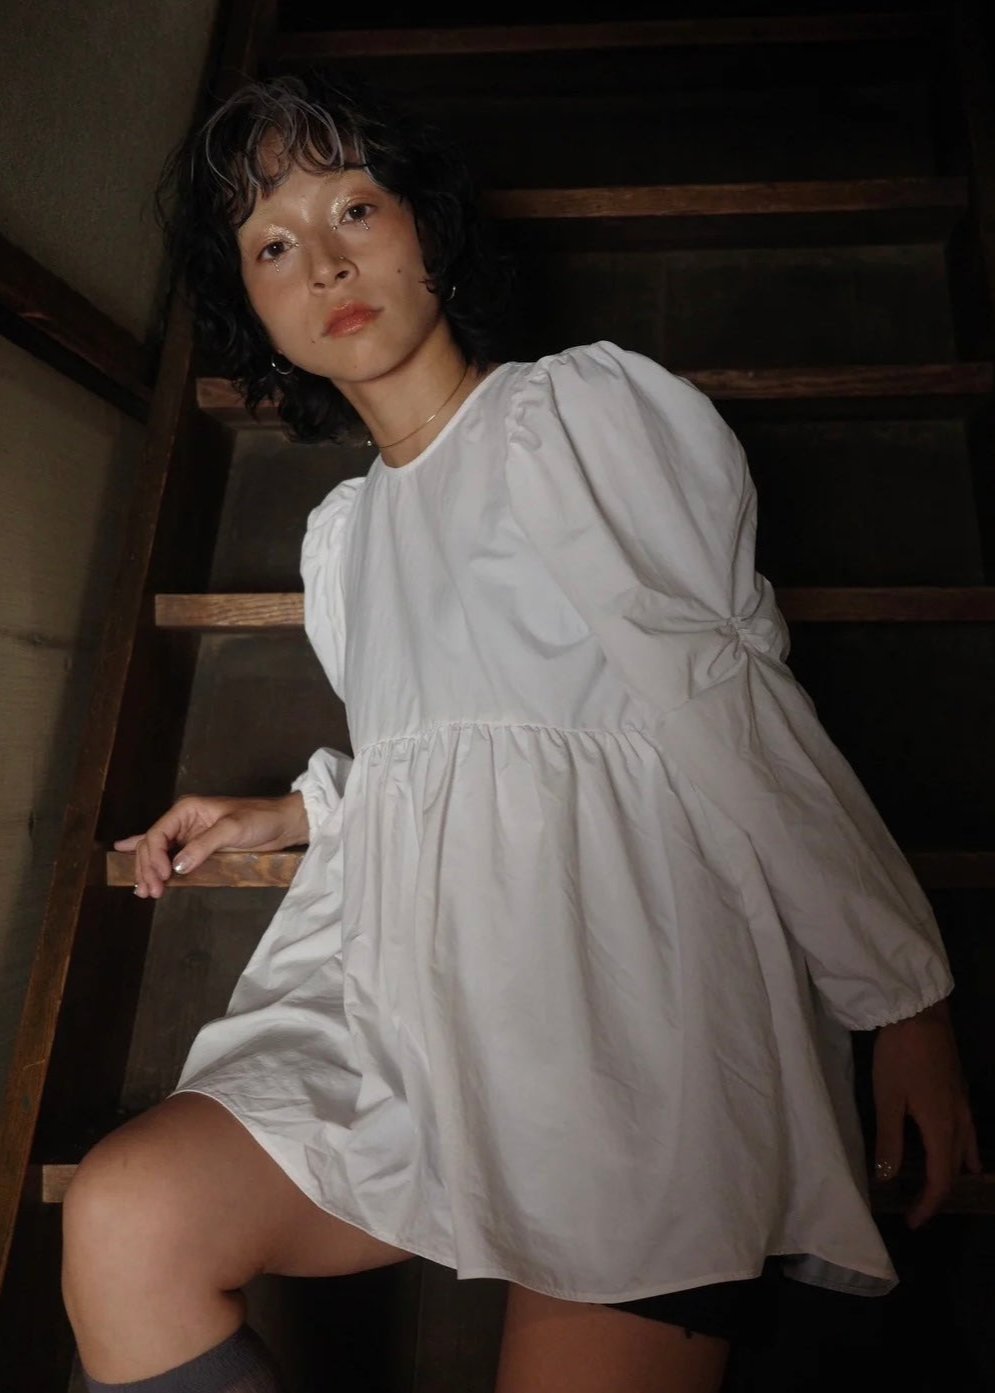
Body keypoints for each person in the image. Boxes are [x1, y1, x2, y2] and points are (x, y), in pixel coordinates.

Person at [61, 70, 981, 1393]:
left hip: (621, 1002)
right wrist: (304, 811)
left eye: (355, 209)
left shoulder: (575, 419)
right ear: (254, 310)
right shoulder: (344, 539)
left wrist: (900, 993)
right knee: (126, 1218)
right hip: (410, 1007)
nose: (325, 264)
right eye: (273, 246)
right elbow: (454, 739)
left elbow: (722, 711)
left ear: (428, 231)